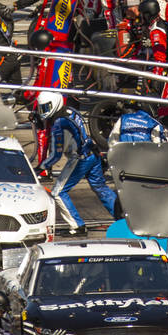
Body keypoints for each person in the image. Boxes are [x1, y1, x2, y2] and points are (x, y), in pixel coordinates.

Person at [37, 91, 118, 235]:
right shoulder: (70, 110)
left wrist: (41, 168)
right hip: (93, 152)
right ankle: (122, 218)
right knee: (100, 187)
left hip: (80, 158)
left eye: (45, 108)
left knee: (58, 192)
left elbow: (56, 155)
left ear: (53, 105)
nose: (44, 112)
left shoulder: (58, 123)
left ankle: (77, 226)